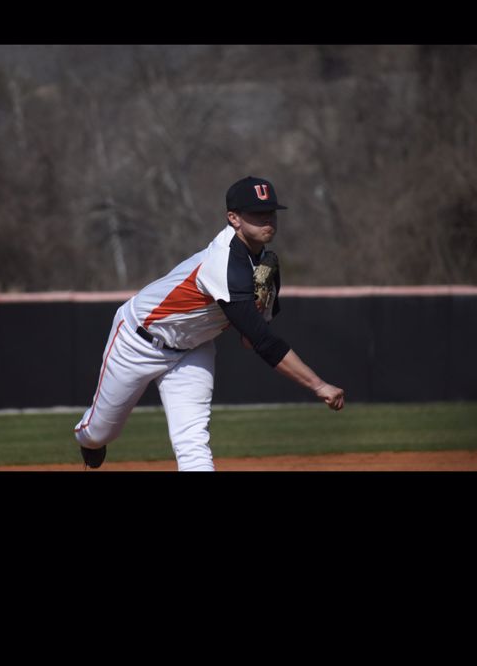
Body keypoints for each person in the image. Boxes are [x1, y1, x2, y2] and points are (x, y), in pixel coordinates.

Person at [74, 176, 345, 472]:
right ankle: (88, 440)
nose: (267, 218)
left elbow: (248, 339)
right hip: (138, 340)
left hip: (193, 349)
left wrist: (256, 310)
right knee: (100, 432)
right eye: (257, 213)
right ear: (234, 218)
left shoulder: (266, 267)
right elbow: (262, 341)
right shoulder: (222, 262)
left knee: (193, 441)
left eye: (271, 211)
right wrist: (318, 385)